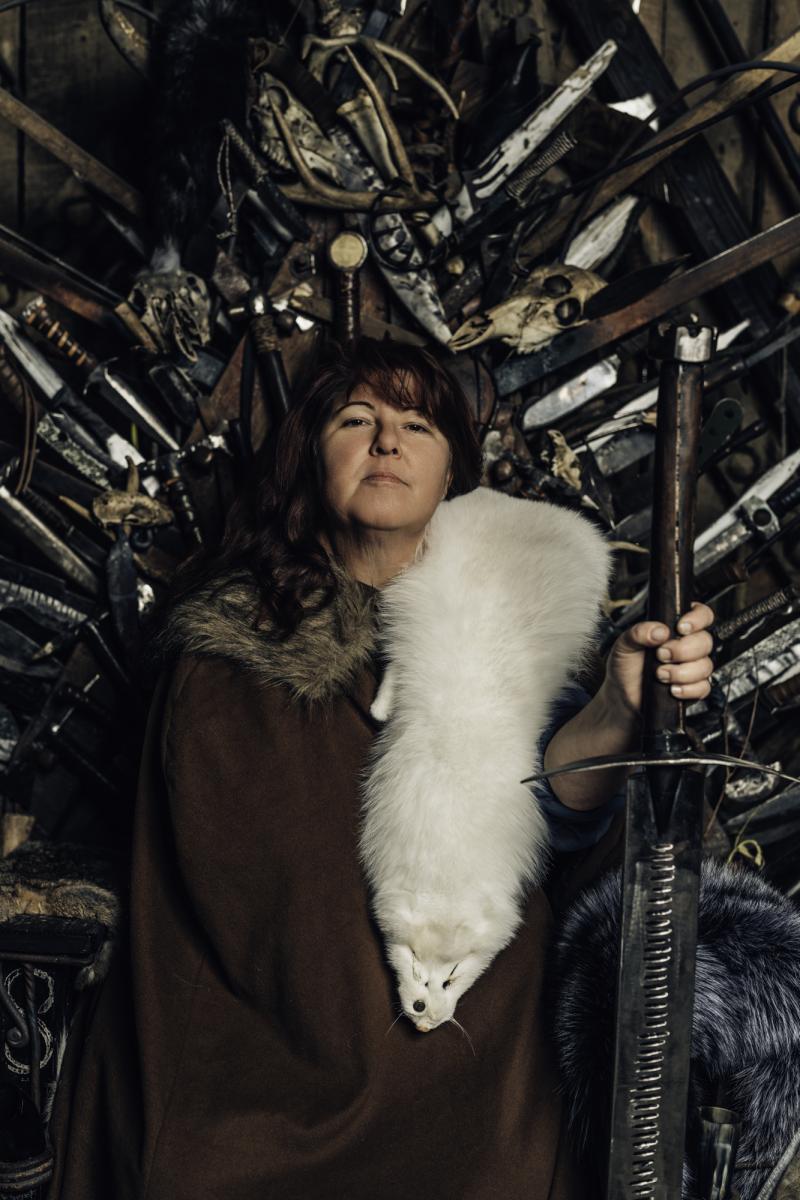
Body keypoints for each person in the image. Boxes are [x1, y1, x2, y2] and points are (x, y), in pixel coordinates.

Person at [48, 337, 714, 1199]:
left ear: (452, 475)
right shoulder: (233, 650)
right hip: (269, 1048)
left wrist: (618, 711)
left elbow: (542, 825)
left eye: (417, 425)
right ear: (311, 458)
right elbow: (262, 886)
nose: (388, 440)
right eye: (356, 420)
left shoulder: (502, 635)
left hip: (479, 1043)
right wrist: (377, 1016)